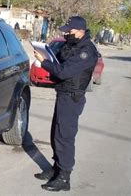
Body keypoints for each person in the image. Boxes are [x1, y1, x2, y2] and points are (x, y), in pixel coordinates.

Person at [33, 16, 98, 192]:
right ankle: (57, 169)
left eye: (70, 31)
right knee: (56, 133)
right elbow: (61, 61)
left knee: (65, 137)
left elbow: (64, 72)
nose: (67, 34)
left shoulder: (86, 51)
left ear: (80, 31)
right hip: (63, 94)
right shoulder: (73, 46)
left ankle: (64, 177)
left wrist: (44, 62)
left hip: (72, 97)